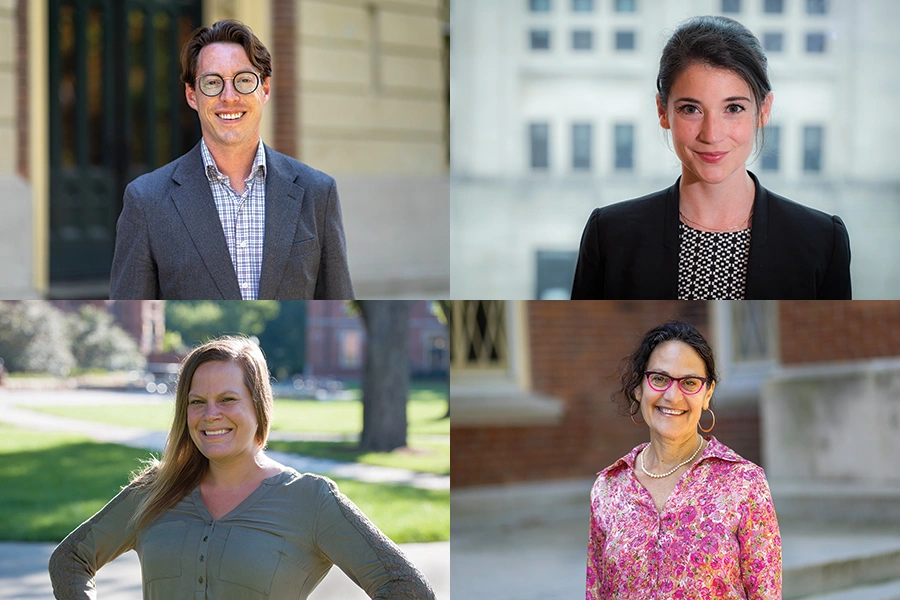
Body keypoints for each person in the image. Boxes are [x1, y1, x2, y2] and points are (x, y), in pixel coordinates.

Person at [49, 336, 434, 599]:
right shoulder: (155, 490)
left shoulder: (311, 500)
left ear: (258, 406)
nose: (210, 415)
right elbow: (70, 561)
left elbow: (406, 588)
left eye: (228, 399)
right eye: (197, 401)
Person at [571, 15, 850, 300]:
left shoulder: (822, 241)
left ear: (763, 110)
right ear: (662, 111)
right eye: (691, 109)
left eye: (734, 108)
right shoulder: (609, 235)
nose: (712, 134)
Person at [110, 20, 353, 300]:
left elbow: (337, 297)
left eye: (244, 80)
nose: (229, 96)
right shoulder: (146, 201)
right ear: (192, 95)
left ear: (265, 90)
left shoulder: (317, 193)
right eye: (212, 82)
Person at [586, 321, 781, 599]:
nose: (673, 395)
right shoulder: (608, 489)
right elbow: (597, 592)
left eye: (689, 382)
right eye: (660, 379)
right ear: (639, 388)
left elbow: (766, 593)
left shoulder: (745, 483)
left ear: (707, 394)